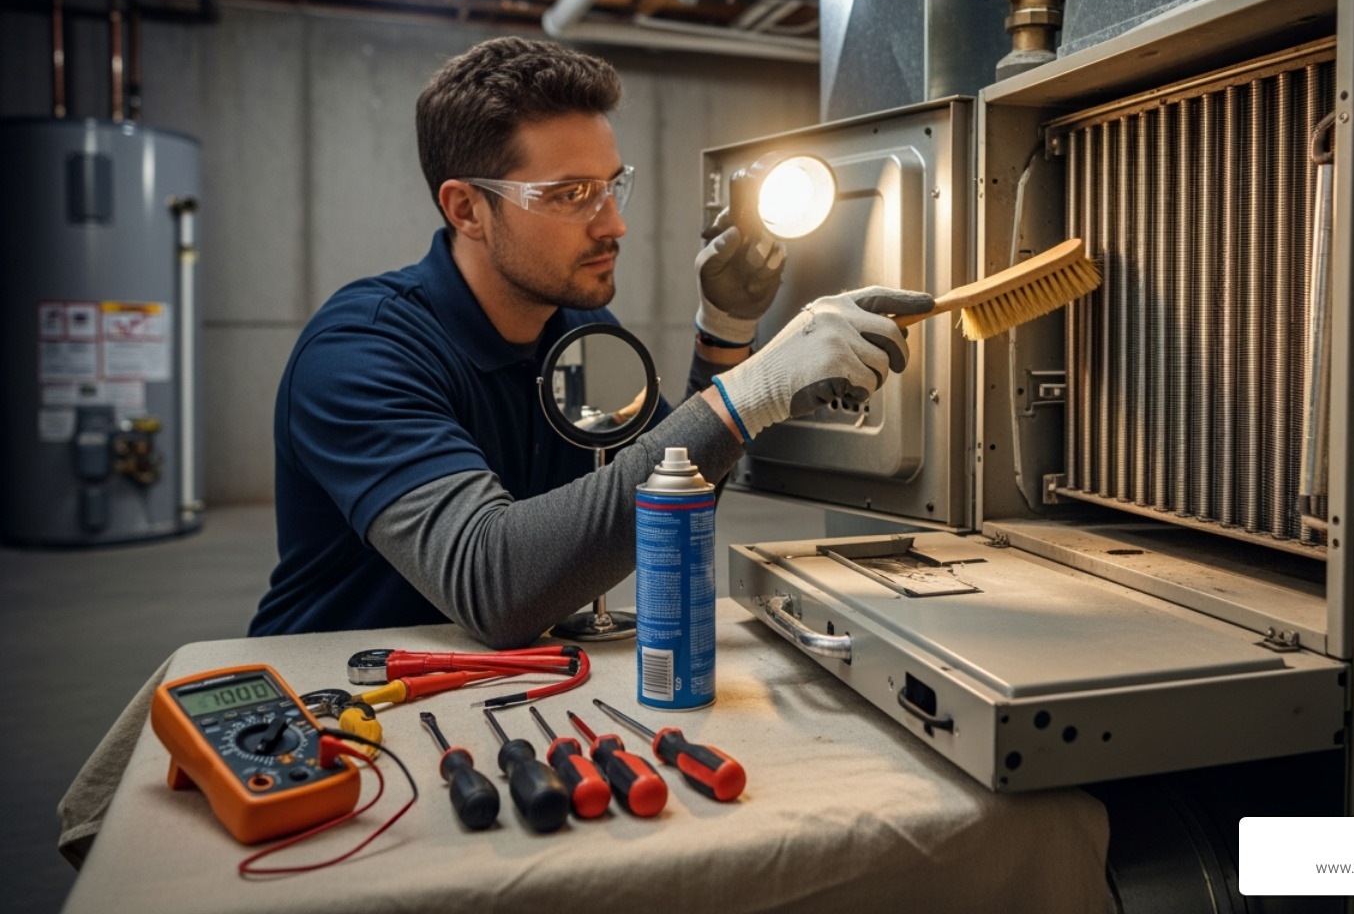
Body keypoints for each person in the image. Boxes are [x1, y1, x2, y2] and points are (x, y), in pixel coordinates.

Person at [249, 36, 932, 648]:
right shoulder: (361, 352)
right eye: (571, 194)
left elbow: (674, 491)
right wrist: (752, 391)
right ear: (466, 208)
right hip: (330, 691)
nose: (613, 225)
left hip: (504, 683)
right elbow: (494, 585)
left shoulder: (578, 332)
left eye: (612, 186)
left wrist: (724, 333)